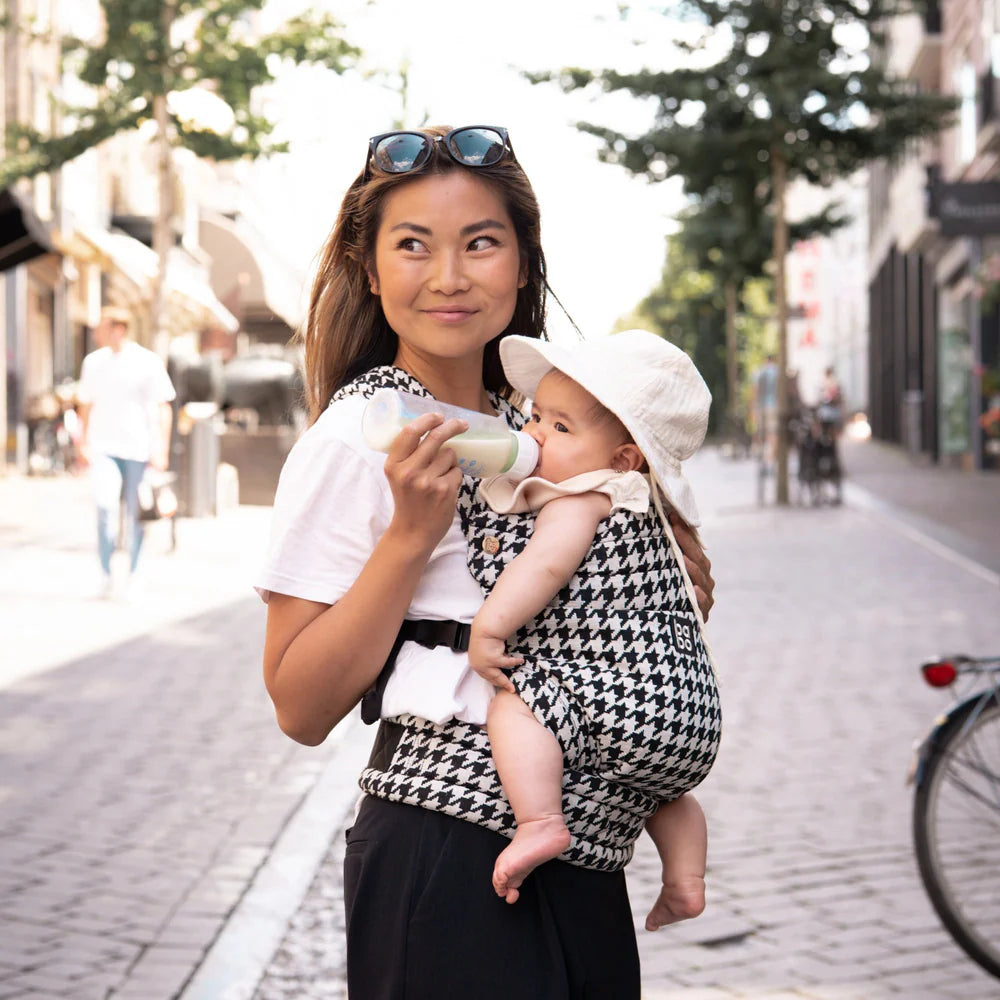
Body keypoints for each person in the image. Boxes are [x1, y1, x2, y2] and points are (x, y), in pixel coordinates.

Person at [255, 124, 718, 999]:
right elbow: (299, 705)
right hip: (445, 846)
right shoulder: (357, 440)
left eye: (480, 243)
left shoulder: (548, 431)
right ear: (369, 269)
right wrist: (408, 537)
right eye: (412, 245)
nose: (449, 276)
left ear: (523, 261)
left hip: (583, 851)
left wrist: (659, 573)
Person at [461, 330, 715, 926]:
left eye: (560, 427)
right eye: (535, 416)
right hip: (690, 713)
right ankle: (685, 879)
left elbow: (543, 567)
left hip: (617, 701)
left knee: (515, 707)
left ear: (623, 459)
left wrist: (488, 629)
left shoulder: (583, 497)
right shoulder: (651, 509)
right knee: (663, 791)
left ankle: (540, 822)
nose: (534, 434)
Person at [76, 306, 175, 597]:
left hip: (139, 450)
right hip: (103, 448)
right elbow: (85, 405)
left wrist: (161, 448)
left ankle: (135, 573)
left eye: (102, 327)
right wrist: (82, 442)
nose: (96, 333)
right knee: (104, 507)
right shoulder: (93, 363)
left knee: (137, 514)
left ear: (118, 329)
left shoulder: (147, 361)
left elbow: (164, 407)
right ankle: (106, 575)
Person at [752, 352, 779, 468]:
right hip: (774, 406)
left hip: (761, 406)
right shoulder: (777, 372)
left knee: (761, 431)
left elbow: (756, 390)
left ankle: (762, 455)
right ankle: (771, 457)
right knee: (772, 432)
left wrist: (754, 407)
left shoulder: (760, 372)